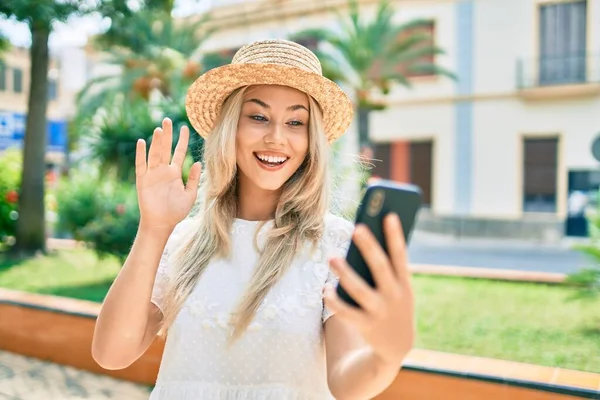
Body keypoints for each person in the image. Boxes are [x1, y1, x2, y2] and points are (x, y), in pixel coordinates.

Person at [92, 39, 415, 400]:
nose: (277, 138)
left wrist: (388, 354)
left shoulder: (333, 243)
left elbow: (345, 382)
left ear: (312, 141)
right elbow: (112, 353)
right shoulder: (183, 239)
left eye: (296, 122)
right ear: (231, 126)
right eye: (258, 116)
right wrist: (153, 228)